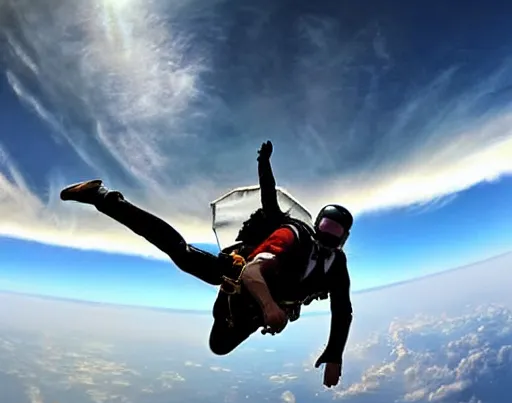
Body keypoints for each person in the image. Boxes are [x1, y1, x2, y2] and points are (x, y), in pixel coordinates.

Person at [59, 141, 353, 388]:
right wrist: (270, 308)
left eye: (336, 232)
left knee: (219, 346)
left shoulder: (336, 264)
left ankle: (242, 312)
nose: (329, 235)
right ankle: (101, 196)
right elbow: (252, 271)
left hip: (261, 306)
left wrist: (334, 353)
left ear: (344, 238)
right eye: (326, 226)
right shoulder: (293, 236)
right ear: (316, 224)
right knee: (183, 254)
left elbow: (342, 310)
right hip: (239, 279)